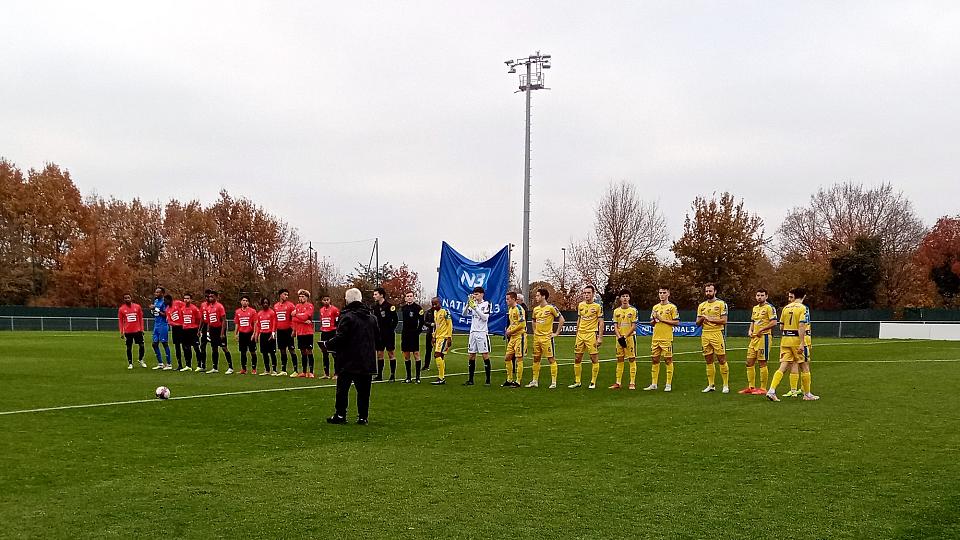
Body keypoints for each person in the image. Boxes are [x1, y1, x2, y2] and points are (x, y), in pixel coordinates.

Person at [323, 288, 378, 425]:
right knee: (364, 391)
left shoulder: (347, 316)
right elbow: (378, 338)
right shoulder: (372, 317)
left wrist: (327, 344)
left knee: (342, 389)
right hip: (366, 359)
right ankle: (363, 417)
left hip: (348, 359)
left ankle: (340, 415)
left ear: (347, 300)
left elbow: (341, 337)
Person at [767, 288, 819, 401]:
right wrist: (801, 342)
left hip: (785, 340)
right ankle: (807, 394)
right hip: (797, 340)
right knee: (805, 366)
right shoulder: (803, 308)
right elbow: (801, 325)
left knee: (783, 366)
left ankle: (771, 390)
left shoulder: (786, 308)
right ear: (803, 296)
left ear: (794, 296)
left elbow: (781, 326)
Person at [740, 288, 778, 395]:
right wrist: (750, 330)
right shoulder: (755, 308)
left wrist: (762, 329)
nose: (759, 297)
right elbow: (753, 321)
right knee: (749, 362)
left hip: (764, 337)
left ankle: (763, 388)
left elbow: (774, 322)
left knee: (762, 362)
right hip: (754, 338)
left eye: (762, 295)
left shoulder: (770, 308)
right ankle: (751, 387)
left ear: (766, 296)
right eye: (758, 295)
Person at [696, 283, 730, 393]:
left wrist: (709, 319)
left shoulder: (721, 304)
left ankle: (725, 385)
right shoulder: (701, 306)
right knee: (708, 359)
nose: (708, 293)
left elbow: (724, 321)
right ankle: (711, 385)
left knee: (721, 359)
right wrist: (702, 319)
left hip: (717, 333)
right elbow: (697, 323)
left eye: (710, 291)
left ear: (715, 291)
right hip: (705, 334)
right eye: (706, 291)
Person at [527, 288, 564, 389]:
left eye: (538, 295)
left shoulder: (551, 308)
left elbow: (561, 319)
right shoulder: (536, 309)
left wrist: (556, 333)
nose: (536, 297)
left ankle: (553, 382)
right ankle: (534, 381)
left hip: (547, 338)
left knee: (551, 359)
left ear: (543, 296)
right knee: (535, 359)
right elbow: (533, 320)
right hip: (537, 338)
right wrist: (535, 331)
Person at [646, 287, 679, 392]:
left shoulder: (672, 307)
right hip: (656, 337)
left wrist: (662, 319)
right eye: (660, 293)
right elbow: (651, 323)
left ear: (668, 293)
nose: (662, 295)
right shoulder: (655, 307)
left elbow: (676, 322)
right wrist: (654, 320)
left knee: (668, 360)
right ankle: (654, 383)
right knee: (654, 360)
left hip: (666, 338)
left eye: (664, 293)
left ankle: (668, 384)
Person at [571, 285, 603, 389]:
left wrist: (600, 337)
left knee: (593, 358)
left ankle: (593, 382)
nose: (586, 295)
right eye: (585, 293)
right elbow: (579, 320)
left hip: (591, 334)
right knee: (577, 358)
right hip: (580, 334)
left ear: (593, 294)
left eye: (588, 293)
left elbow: (601, 323)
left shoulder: (597, 307)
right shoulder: (580, 305)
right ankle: (577, 381)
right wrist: (577, 333)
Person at [462, 286, 492, 386]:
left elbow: (485, 318)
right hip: (473, 332)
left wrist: (476, 308)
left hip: (482, 332)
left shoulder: (486, 304)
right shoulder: (472, 303)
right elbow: (464, 313)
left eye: (477, 294)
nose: (475, 296)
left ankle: (488, 380)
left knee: (485, 355)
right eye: (474, 294)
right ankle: (470, 379)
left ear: (482, 294)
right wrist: (468, 304)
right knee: (471, 355)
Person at [610, 289, 638, 389]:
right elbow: (615, 325)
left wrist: (625, 337)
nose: (625, 298)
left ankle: (632, 382)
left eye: (626, 296)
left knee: (631, 358)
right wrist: (619, 337)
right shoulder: (616, 311)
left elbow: (634, 326)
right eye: (623, 296)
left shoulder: (633, 310)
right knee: (619, 359)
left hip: (629, 338)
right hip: (619, 338)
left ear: (629, 298)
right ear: (620, 298)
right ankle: (618, 382)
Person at [204, 290, 233, 374]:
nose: (210, 298)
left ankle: (230, 367)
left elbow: (223, 320)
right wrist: (208, 331)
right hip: (213, 330)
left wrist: (222, 332)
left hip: (219, 329)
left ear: (216, 297)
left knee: (224, 348)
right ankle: (215, 367)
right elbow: (209, 321)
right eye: (209, 296)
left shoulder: (219, 306)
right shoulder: (208, 308)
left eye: (212, 296)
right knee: (214, 348)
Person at [372, 287, 398, 381]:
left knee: (391, 353)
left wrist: (390, 330)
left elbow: (395, 320)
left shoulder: (389, 306)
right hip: (379, 334)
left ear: (381, 295)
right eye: (374, 294)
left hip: (388, 334)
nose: (374, 296)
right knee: (379, 354)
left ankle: (392, 375)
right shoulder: (374, 307)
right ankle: (379, 375)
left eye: (376, 294)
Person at [502, 291, 526, 388]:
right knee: (507, 358)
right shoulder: (511, 310)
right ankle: (509, 379)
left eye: (508, 299)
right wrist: (508, 330)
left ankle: (518, 381)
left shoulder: (519, 309)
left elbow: (522, 324)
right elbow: (513, 323)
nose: (506, 301)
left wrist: (510, 332)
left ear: (513, 299)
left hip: (519, 336)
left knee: (519, 358)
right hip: (512, 337)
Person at [400, 291, 425, 383]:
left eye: (411, 296)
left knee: (416, 354)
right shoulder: (403, 308)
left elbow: (422, 321)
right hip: (405, 334)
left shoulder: (418, 308)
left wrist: (417, 332)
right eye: (407, 296)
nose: (409, 297)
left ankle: (418, 377)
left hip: (414, 334)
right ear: (405, 298)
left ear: (413, 298)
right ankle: (408, 377)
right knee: (406, 355)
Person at [273, 289, 299, 377]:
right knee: (282, 350)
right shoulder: (276, 306)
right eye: (285, 294)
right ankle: (283, 370)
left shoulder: (291, 305)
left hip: (288, 330)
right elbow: (275, 319)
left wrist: (294, 330)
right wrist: (274, 331)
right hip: (280, 331)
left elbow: (294, 319)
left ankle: (295, 370)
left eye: (287, 295)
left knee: (291, 349)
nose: (286, 296)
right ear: (280, 295)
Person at [118, 293, 146, 369]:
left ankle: (141, 359)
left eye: (128, 297)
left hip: (137, 330)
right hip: (128, 331)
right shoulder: (121, 309)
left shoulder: (137, 307)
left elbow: (140, 318)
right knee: (129, 348)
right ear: (124, 299)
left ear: (131, 298)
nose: (127, 299)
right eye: (125, 298)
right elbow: (120, 321)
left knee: (142, 346)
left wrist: (142, 329)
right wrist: (121, 332)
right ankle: (130, 363)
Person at [293, 289, 316, 378]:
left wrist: (296, 315)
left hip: (308, 332)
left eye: (303, 296)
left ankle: (311, 371)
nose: (301, 298)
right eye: (300, 296)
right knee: (302, 351)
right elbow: (294, 319)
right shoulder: (297, 306)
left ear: (307, 297)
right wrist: (301, 319)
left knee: (309, 351)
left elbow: (306, 316)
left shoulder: (310, 306)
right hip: (300, 332)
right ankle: (304, 371)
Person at [430, 297, 452, 385]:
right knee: (441, 356)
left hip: (444, 337)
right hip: (438, 337)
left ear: (440, 303)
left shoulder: (445, 312)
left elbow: (449, 324)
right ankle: (441, 377)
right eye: (433, 304)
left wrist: (449, 337)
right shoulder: (435, 312)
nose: (434, 306)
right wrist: (434, 336)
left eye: (436, 304)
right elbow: (437, 326)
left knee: (437, 355)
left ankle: (441, 377)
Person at [235, 295, 259, 374]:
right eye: (243, 300)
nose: (244, 302)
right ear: (241, 302)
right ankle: (243, 369)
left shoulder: (252, 311)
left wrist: (254, 333)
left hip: (250, 333)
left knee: (252, 351)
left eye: (246, 300)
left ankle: (254, 369)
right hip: (242, 334)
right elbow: (237, 323)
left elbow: (255, 323)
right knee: (243, 352)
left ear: (248, 302)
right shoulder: (237, 312)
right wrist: (236, 333)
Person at [318, 295, 340, 379]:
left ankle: (336, 373)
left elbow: (337, 321)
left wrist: (336, 331)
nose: (326, 301)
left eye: (327, 300)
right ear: (322, 301)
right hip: (324, 333)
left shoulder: (334, 309)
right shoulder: (321, 310)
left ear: (330, 300)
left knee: (334, 353)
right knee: (324, 353)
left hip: (332, 332)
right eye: (324, 300)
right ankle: (326, 373)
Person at [150, 287, 172, 370]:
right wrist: (152, 311)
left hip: (163, 325)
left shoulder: (165, 302)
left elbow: (165, 314)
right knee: (154, 344)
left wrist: (155, 309)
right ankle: (160, 363)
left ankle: (169, 364)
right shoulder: (156, 301)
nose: (156, 294)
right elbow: (156, 313)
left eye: (158, 292)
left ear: (162, 293)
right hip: (156, 324)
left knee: (164, 343)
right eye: (155, 292)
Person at [255, 297, 278, 375]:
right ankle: (267, 370)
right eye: (264, 303)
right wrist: (257, 335)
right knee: (264, 353)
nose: (265, 304)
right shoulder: (259, 314)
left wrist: (273, 333)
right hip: (263, 335)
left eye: (266, 303)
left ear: (269, 304)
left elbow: (274, 324)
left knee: (272, 352)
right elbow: (258, 325)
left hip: (270, 334)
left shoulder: (272, 313)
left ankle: (274, 370)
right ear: (261, 304)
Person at [180, 292, 202, 372]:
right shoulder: (182, 309)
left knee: (196, 347)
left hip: (193, 330)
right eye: (185, 298)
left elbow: (198, 320)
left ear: (191, 300)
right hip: (185, 330)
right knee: (186, 348)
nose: (186, 300)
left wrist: (198, 330)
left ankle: (199, 365)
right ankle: (188, 365)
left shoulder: (194, 309)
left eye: (188, 298)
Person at [166, 293, 186, 370]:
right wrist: (175, 323)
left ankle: (188, 364)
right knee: (177, 346)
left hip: (182, 327)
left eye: (166, 300)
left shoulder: (178, 303)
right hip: (175, 328)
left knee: (185, 345)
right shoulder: (167, 309)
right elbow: (169, 321)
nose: (165, 302)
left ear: (170, 300)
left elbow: (185, 308)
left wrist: (183, 321)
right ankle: (179, 364)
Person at [422, 303, 435, 371]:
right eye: (433, 304)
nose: (434, 305)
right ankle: (426, 365)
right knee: (428, 350)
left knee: (439, 351)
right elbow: (424, 322)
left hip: (438, 334)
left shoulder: (441, 311)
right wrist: (431, 324)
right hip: (430, 333)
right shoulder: (428, 312)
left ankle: (441, 365)